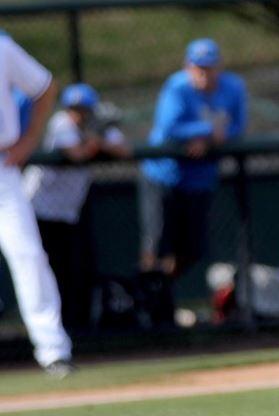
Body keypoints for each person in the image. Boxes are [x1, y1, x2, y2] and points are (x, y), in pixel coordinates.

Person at [138, 39, 247, 316]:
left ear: (218, 67)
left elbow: (237, 126)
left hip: (200, 179)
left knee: (193, 248)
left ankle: (158, 292)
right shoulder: (177, 87)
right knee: (157, 243)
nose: (204, 73)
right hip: (164, 175)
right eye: (198, 67)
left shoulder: (233, 87)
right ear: (188, 67)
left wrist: (207, 139)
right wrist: (207, 130)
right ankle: (150, 305)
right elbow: (169, 126)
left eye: (209, 67)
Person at [23, 84, 130, 334]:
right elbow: (77, 154)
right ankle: (48, 329)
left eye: (83, 110)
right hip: (39, 209)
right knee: (45, 272)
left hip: (68, 213)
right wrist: (96, 143)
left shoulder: (96, 127)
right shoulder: (61, 123)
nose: (78, 115)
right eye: (74, 109)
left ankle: (74, 326)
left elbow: (124, 150)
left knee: (74, 271)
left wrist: (98, 139)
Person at [0, 32, 74, 376]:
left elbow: (44, 86)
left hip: (3, 169)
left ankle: (53, 350)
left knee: (28, 255)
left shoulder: (1, 46)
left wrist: (29, 140)